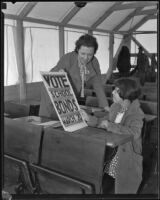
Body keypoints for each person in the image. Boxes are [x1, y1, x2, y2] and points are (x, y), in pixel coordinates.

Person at [81, 77, 144, 194]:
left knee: (124, 186)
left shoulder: (136, 112)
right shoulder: (115, 107)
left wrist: (110, 126)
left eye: (117, 90)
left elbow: (135, 133)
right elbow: (105, 121)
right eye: (114, 89)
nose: (113, 92)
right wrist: (89, 119)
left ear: (126, 94)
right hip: (113, 149)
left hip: (127, 152)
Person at [39, 34, 109, 119]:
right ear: (77, 49)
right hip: (52, 89)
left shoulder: (95, 62)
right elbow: (54, 78)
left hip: (72, 92)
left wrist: (105, 106)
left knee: (68, 118)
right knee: (50, 117)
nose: (86, 58)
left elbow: (98, 85)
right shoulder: (68, 58)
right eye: (83, 53)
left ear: (94, 53)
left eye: (90, 54)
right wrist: (60, 75)